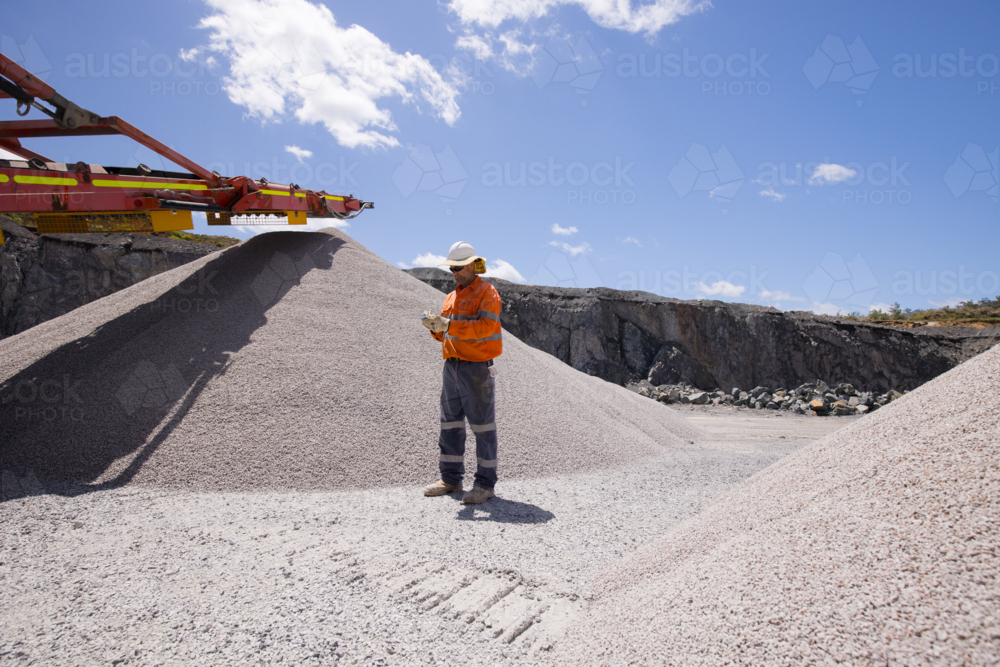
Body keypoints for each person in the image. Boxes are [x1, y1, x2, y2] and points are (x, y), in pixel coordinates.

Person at [420, 241, 502, 505]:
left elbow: (487, 327)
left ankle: (485, 485)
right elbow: (446, 332)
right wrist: (435, 328)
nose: (454, 272)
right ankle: (451, 480)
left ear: (471, 265)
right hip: (452, 365)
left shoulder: (487, 293)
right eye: (451, 268)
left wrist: (451, 325)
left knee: (483, 427)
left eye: (457, 267)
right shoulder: (451, 296)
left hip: (476, 367)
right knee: (450, 425)